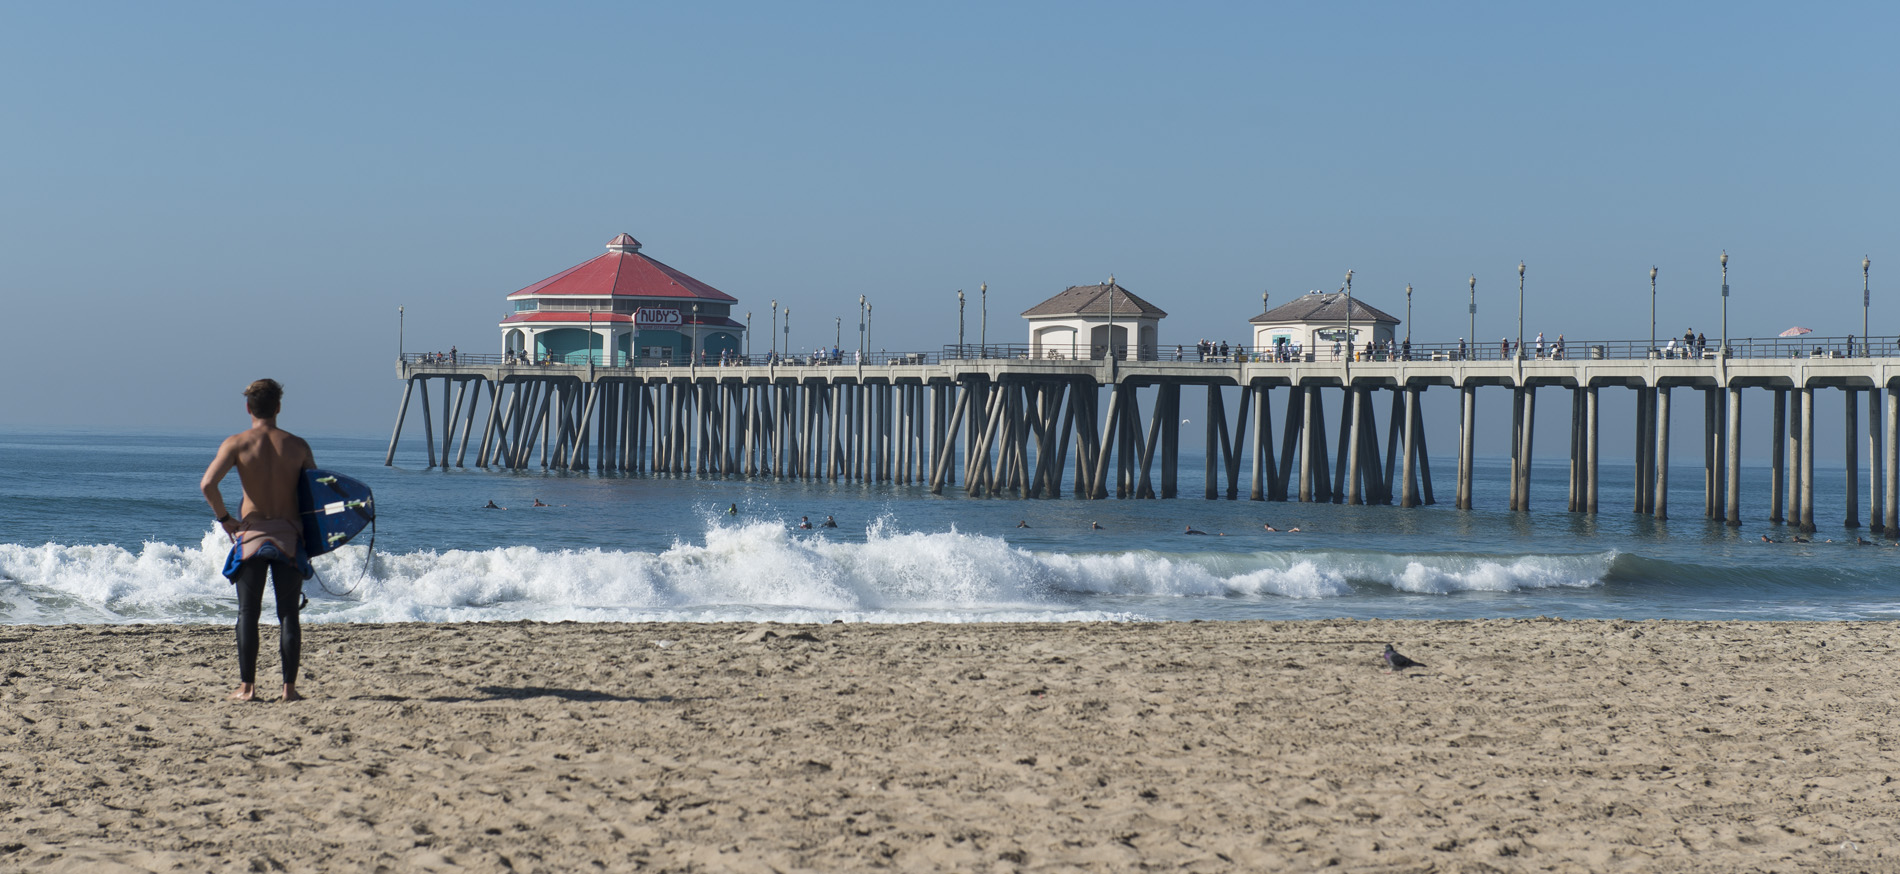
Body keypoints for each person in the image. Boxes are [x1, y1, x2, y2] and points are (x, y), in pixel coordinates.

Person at [200, 378, 314, 704]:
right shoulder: (297, 446)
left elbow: (208, 484)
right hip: (289, 539)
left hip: (250, 537)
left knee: (247, 612)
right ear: (278, 407)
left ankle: (247, 688)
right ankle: (288, 690)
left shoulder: (236, 444)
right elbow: (315, 497)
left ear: (248, 407)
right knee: (288, 614)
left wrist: (225, 520)